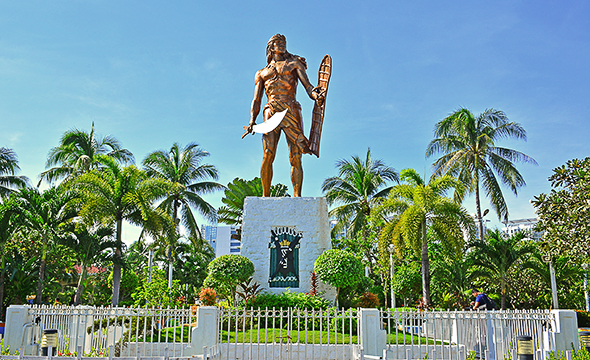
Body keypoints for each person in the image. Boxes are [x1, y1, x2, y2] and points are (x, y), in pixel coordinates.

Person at [246, 34, 324, 197]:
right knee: (268, 154)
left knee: (295, 155)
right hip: (271, 111)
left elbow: (308, 87)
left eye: (283, 42)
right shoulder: (261, 73)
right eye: (277, 42)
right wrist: (252, 121)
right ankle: (265, 196)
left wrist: (316, 95)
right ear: (270, 47)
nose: (281, 44)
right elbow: (257, 99)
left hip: (291, 109)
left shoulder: (294, 63)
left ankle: (297, 196)